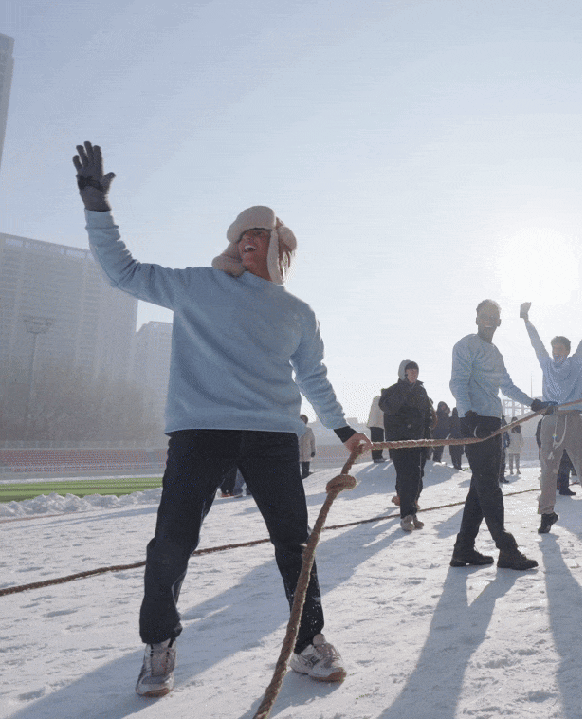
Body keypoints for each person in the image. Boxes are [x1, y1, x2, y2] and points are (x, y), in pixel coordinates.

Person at [72, 142, 370, 697]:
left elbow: (314, 377)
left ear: (279, 248)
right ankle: (159, 644)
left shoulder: (297, 312)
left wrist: (344, 429)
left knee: (294, 545)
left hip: (273, 436)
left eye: (258, 234)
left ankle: (308, 644)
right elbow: (123, 273)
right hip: (199, 432)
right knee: (171, 543)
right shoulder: (195, 286)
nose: (246, 241)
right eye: (239, 234)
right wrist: (96, 207)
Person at [448, 300, 554, 569]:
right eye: (484, 315)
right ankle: (506, 549)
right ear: (476, 318)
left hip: (494, 422)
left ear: (499, 322)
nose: (488, 320)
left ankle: (463, 549)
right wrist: (468, 417)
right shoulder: (465, 346)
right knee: (490, 487)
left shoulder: (495, 352)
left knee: (481, 486)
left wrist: (532, 403)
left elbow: (506, 385)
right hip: (475, 422)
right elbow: (458, 382)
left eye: (493, 317)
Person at [521, 298, 582, 535]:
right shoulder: (546, 364)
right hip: (550, 420)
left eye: (560, 349)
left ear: (568, 351)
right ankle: (546, 514)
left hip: (573, 421)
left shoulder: (576, 363)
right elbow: (535, 343)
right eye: (554, 349)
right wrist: (526, 320)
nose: (556, 352)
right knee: (548, 468)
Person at [380, 360, 433, 531]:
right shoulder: (391, 392)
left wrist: (427, 440)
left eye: (416, 370)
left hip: (418, 442)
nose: (413, 373)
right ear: (402, 372)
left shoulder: (421, 391)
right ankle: (405, 516)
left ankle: (412, 512)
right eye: (410, 370)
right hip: (400, 442)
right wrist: (405, 386)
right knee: (405, 478)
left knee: (417, 477)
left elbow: (427, 418)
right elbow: (390, 408)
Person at [367, 395, 386, 463]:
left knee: (378, 441)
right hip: (377, 425)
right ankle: (377, 457)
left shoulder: (377, 401)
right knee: (378, 441)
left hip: (376, 425)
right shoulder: (379, 401)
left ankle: (378, 456)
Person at [299, 414, 316, 478]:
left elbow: (312, 441)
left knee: (305, 471)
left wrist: (313, 451)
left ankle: (305, 480)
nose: (302, 421)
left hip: (307, 453)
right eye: (301, 419)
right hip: (298, 453)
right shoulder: (296, 430)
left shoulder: (309, 430)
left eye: (303, 420)